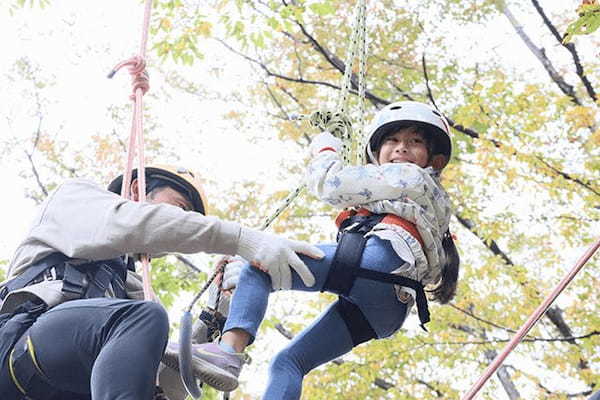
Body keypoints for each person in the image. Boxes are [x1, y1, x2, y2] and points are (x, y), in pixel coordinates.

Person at [189, 101, 461, 398]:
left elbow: (328, 184)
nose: (401, 148)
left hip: (380, 262)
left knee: (260, 265)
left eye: (415, 142)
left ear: (433, 161)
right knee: (290, 362)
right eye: (392, 140)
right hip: (390, 306)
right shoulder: (428, 199)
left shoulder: (410, 176)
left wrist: (326, 148)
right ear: (377, 152)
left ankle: (227, 352)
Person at [0, 164, 324, 400]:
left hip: (65, 384)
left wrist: (217, 313)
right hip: (21, 346)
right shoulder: (74, 202)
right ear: (138, 188)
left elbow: (165, 386)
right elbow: (133, 223)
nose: (183, 221)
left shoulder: (133, 296)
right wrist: (241, 239)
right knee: (145, 318)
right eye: (180, 209)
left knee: (147, 321)